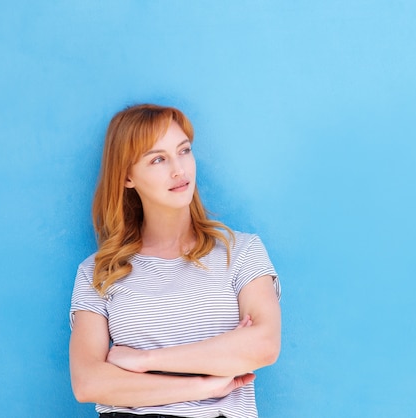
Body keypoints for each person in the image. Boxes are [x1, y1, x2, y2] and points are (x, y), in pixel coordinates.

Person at [69, 103, 282, 418]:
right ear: (127, 176)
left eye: (184, 151)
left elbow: (263, 346)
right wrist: (206, 385)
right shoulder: (98, 272)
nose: (179, 170)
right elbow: (87, 382)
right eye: (158, 159)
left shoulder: (241, 251)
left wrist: (145, 361)